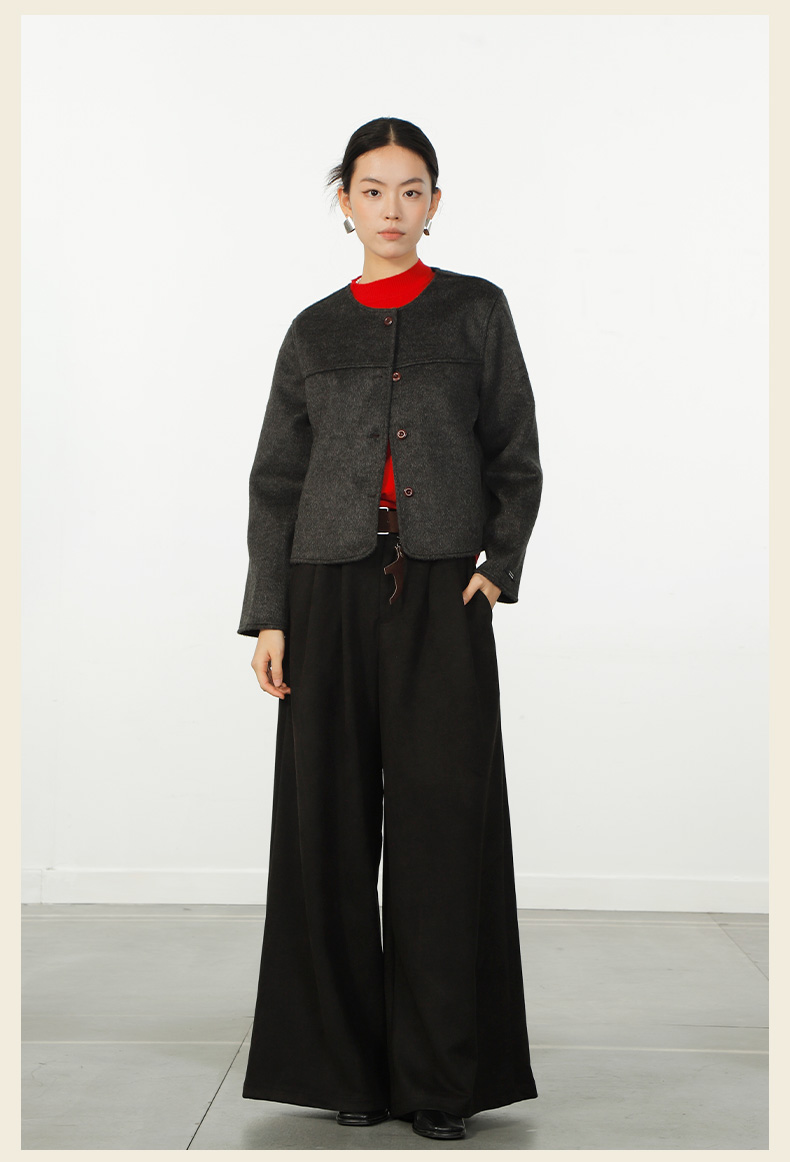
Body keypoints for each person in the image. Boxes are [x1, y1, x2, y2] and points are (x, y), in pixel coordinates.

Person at [237, 116, 543, 1142]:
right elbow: (276, 482)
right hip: (323, 594)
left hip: (444, 594)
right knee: (324, 829)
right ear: (345, 203)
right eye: (373, 191)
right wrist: (269, 615)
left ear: (435, 203)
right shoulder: (313, 331)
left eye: (412, 191)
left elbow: (515, 452)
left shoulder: (476, 311)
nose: (393, 209)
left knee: (443, 830)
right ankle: (344, 1067)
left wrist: (497, 568)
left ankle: (442, 1076)